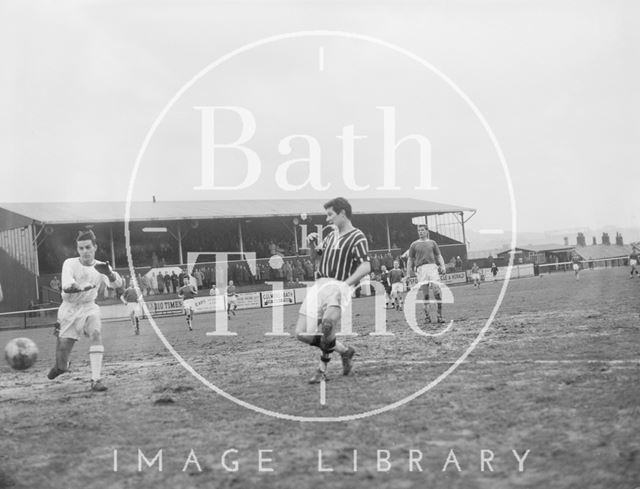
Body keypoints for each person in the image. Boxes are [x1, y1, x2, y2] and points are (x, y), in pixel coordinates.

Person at [294, 197, 370, 384]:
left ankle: (322, 370)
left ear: (342, 213)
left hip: (338, 285)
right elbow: (315, 257)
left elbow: (366, 266)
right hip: (319, 285)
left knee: (327, 325)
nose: (327, 219)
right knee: (301, 333)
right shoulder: (330, 236)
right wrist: (312, 244)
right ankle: (344, 351)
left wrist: (345, 285)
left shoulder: (357, 237)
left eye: (330, 215)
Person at [47, 230, 123, 392]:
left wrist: (109, 273)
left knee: (96, 334)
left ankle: (96, 380)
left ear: (95, 247)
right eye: (81, 248)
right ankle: (62, 366)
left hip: (89, 307)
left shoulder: (101, 266)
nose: (85, 251)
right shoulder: (69, 263)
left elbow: (118, 284)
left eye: (88, 247)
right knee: (61, 364)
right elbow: (68, 286)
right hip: (69, 310)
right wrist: (79, 287)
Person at [406, 224, 446, 324]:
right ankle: (427, 317)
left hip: (432, 268)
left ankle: (439, 316)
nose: (420, 232)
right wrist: (408, 273)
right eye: (419, 230)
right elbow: (410, 260)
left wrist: (443, 266)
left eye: (422, 230)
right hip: (421, 270)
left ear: (427, 231)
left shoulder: (432, 243)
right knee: (426, 295)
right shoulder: (414, 245)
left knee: (437, 292)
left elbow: (439, 255)